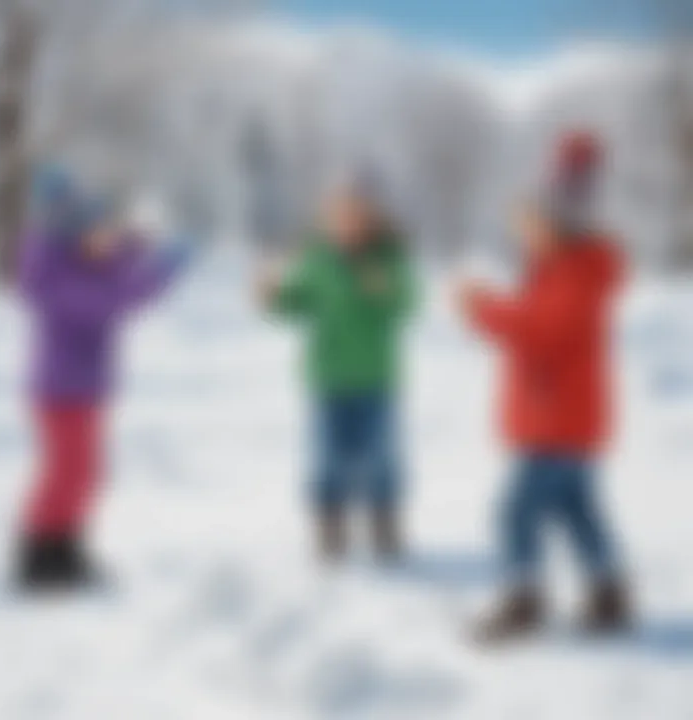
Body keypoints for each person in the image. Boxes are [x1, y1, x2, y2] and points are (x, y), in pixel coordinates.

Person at [457, 132, 631, 642]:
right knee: (579, 513)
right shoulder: (560, 269)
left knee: (516, 511)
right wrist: (495, 305)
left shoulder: (576, 273)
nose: (523, 234)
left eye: (530, 224)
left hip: (557, 424)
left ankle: (523, 597)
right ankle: (608, 590)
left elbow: (542, 332)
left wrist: (483, 308)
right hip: (564, 422)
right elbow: (538, 323)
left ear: (559, 222)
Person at [16, 172, 191, 591]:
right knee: (66, 471)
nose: (103, 236)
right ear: (69, 230)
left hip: (85, 388)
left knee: (84, 473)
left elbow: (116, 265)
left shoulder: (81, 259)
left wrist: (138, 246)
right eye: (93, 227)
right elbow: (109, 301)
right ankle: (38, 555)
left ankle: (65, 545)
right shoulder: (51, 271)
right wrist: (158, 272)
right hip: (60, 389)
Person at [258, 173, 416, 562]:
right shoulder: (317, 258)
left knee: (381, 457)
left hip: (376, 378)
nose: (346, 224)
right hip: (326, 377)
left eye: (355, 215)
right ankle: (329, 524)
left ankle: (385, 521)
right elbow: (297, 306)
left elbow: (407, 305)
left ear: (371, 218)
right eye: (338, 216)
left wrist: (384, 289)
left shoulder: (389, 257)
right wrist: (272, 295)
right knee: (326, 456)